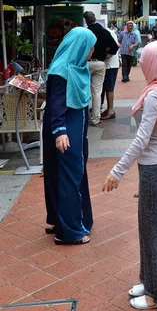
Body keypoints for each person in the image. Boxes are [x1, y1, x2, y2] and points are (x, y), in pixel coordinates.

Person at [101, 41, 157, 310]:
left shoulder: (156, 94)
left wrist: (116, 171)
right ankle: (150, 280)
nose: (141, 63)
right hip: (155, 170)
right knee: (150, 230)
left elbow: (142, 139)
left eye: (144, 59)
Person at [43, 27, 96, 245]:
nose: (93, 50)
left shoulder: (75, 66)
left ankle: (59, 219)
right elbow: (56, 104)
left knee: (58, 174)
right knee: (70, 176)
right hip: (65, 131)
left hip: (71, 128)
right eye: (91, 46)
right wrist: (60, 132)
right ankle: (70, 231)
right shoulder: (62, 71)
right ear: (81, 47)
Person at [83, 11, 119, 126]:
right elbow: (115, 47)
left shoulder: (87, 32)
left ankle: (82, 116)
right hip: (99, 64)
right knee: (97, 92)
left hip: (86, 63)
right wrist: (105, 57)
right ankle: (95, 118)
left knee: (83, 90)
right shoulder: (104, 31)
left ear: (86, 21)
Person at [101, 29, 120, 121]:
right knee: (106, 87)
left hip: (111, 66)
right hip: (109, 65)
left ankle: (110, 110)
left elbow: (114, 48)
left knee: (109, 88)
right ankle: (108, 109)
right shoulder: (106, 32)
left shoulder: (107, 33)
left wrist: (103, 58)